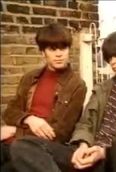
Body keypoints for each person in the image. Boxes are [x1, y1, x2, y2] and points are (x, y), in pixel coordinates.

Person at [10, 30, 116, 172]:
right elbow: (85, 123)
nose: (113, 61)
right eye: (109, 58)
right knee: (23, 146)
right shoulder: (103, 88)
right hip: (88, 153)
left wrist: (104, 152)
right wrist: (83, 145)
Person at [0, 23, 87, 171]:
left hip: (40, 148)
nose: (59, 54)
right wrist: (29, 118)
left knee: (12, 162)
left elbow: (60, 132)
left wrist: (15, 130)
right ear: (42, 52)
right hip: (11, 144)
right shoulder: (29, 78)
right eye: (52, 49)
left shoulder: (77, 85)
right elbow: (10, 111)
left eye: (63, 48)